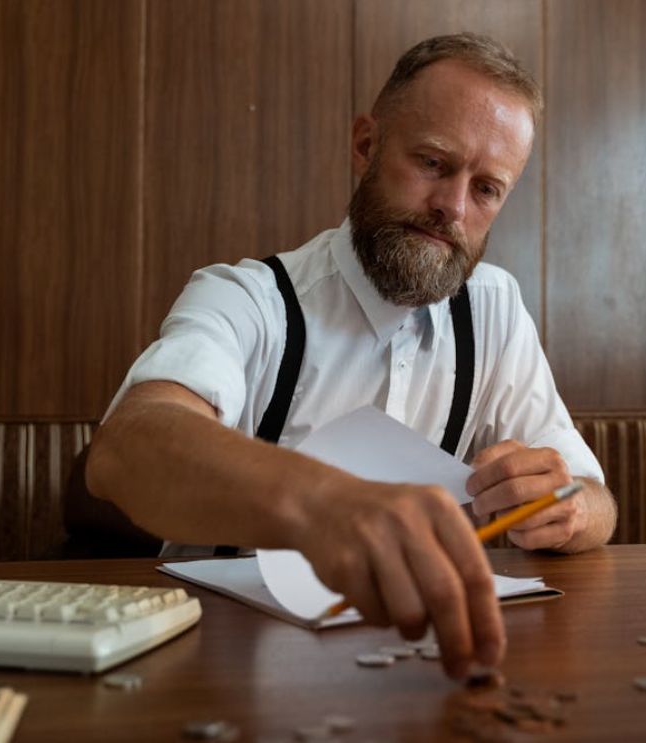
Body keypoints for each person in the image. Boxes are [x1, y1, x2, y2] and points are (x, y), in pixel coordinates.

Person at [86, 33, 617, 680]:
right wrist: (324, 503)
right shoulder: (249, 298)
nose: (452, 206)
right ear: (365, 145)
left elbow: (595, 500)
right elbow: (127, 449)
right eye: (431, 162)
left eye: (486, 189)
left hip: (416, 672)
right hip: (218, 671)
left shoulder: (493, 306)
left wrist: (565, 507)